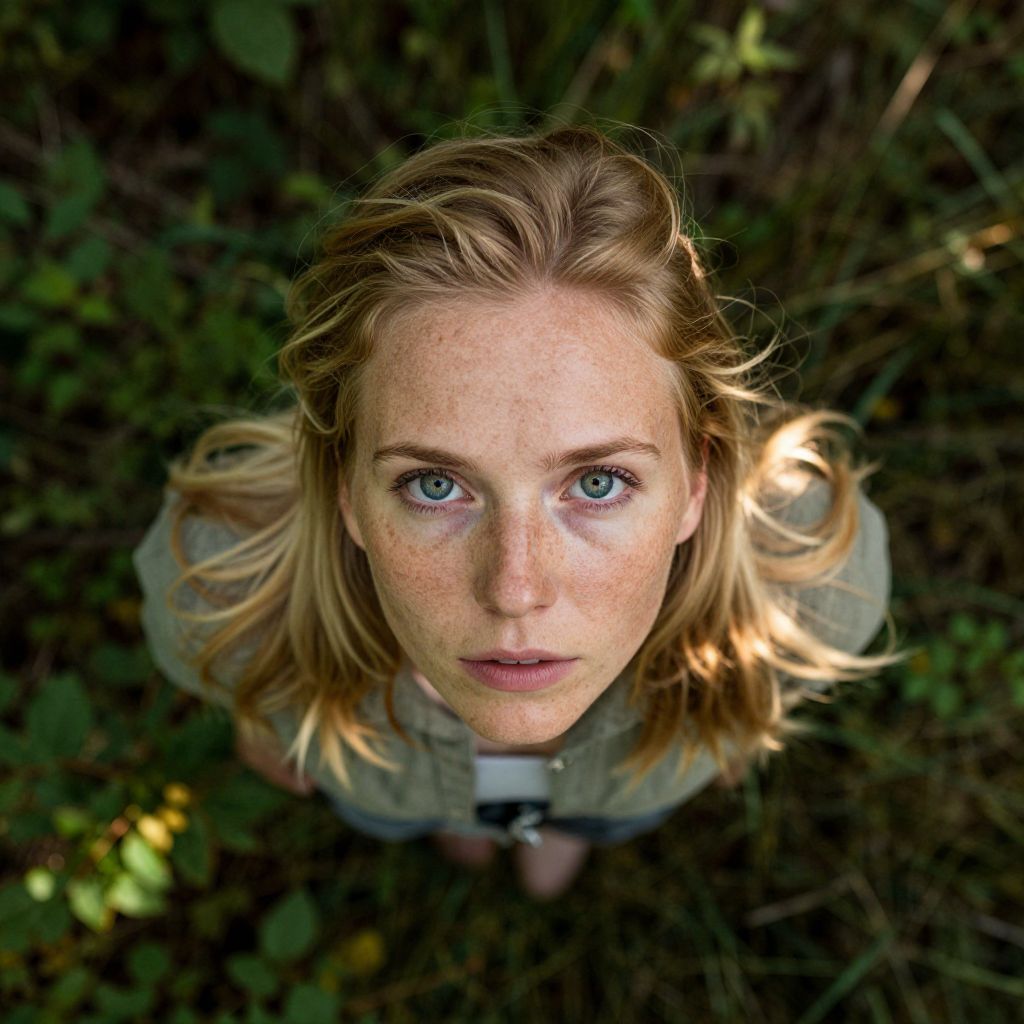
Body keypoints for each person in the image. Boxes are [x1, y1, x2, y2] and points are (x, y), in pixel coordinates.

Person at [132, 124, 893, 901]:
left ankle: (562, 825)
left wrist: (743, 716)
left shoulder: (814, 584)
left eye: (597, 483)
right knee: (410, 816)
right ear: (343, 490)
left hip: (617, 795)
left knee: (596, 819)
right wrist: (264, 717)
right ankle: (463, 821)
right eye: (434, 485)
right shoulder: (213, 582)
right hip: (391, 790)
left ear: (698, 482)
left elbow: (779, 686)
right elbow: (243, 693)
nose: (515, 588)